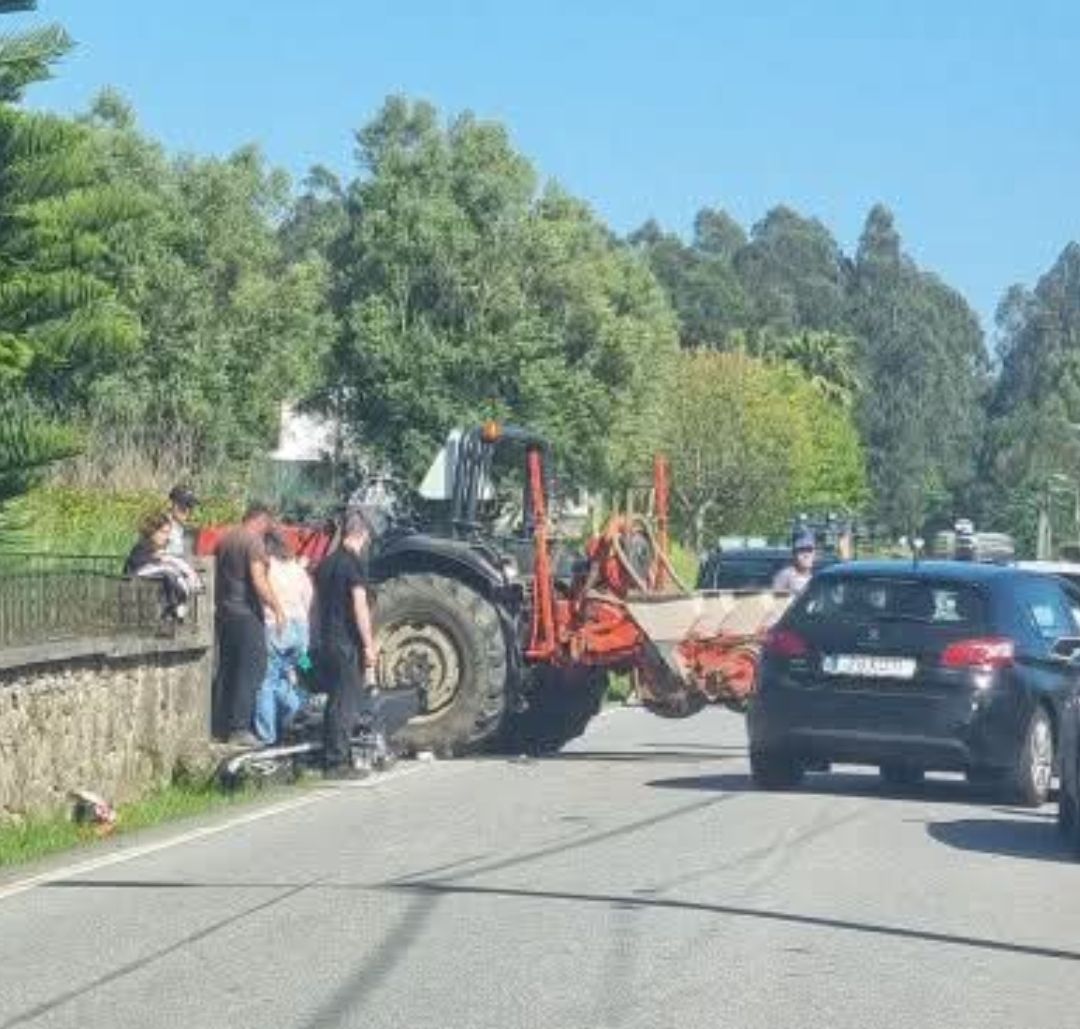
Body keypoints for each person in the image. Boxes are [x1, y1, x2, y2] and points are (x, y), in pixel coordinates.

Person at [314, 508, 380, 779]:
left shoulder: (326, 564)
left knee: (333, 700)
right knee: (345, 702)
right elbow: (359, 606)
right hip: (345, 643)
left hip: (326, 639)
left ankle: (330, 754)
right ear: (362, 534)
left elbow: (315, 606)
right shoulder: (353, 564)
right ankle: (337, 762)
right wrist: (367, 645)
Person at [215, 503, 285, 747]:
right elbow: (258, 580)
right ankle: (240, 728)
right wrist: (277, 608)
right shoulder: (253, 542)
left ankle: (220, 724)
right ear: (262, 520)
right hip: (247, 615)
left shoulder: (225, 539)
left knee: (228, 669)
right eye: (269, 523)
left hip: (225, 613)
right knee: (252, 670)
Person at [254, 531, 313, 745]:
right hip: (301, 633)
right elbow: (308, 597)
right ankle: (298, 713)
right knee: (294, 671)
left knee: (266, 683)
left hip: (276, 628)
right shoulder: (297, 567)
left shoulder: (265, 566)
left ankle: (267, 736)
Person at [123, 509, 202, 620]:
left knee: (173, 565)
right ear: (152, 531)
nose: (167, 537)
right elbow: (137, 568)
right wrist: (158, 559)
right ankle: (176, 605)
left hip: (151, 590)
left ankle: (179, 601)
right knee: (169, 570)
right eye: (163, 532)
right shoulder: (143, 546)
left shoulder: (155, 547)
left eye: (168, 533)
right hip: (136, 584)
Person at [772, 528, 816, 596]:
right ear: (794, 554)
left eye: (809, 550)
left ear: (814, 554)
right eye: (801, 550)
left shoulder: (817, 579)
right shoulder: (785, 576)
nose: (806, 555)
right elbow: (775, 602)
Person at [166, 485, 198, 558]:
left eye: (190, 506)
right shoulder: (159, 529)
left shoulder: (188, 531)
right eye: (183, 506)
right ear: (171, 504)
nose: (187, 511)